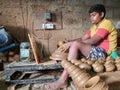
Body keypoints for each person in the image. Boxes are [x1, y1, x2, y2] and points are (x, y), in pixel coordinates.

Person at [45, 4, 117, 90]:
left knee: (75, 45)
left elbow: (93, 41)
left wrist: (73, 43)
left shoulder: (106, 23)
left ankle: (63, 80)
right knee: (73, 46)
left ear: (101, 14)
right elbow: (82, 38)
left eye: (94, 15)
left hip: (105, 54)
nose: (91, 18)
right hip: (96, 50)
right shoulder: (94, 27)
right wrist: (69, 42)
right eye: (90, 16)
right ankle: (69, 74)